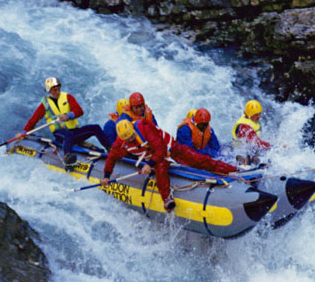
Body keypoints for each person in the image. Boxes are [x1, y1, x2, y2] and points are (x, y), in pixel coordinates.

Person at [101, 116, 237, 212]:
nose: (131, 139)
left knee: (199, 160)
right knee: (160, 169)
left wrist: (149, 163)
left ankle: (232, 170)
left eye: (132, 136)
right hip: (155, 158)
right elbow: (112, 157)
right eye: (128, 138)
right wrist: (107, 175)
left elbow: (160, 149)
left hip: (169, 149)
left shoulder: (144, 126)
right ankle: (167, 200)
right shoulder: (121, 141)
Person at [16, 77, 112, 164]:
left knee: (95, 127)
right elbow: (34, 120)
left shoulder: (68, 97)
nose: (57, 92)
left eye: (58, 89)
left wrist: (68, 116)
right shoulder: (45, 104)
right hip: (60, 134)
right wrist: (24, 132)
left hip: (74, 132)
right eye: (54, 90)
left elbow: (79, 111)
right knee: (67, 134)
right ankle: (67, 156)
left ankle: (110, 148)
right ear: (49, 91)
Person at [232, 99, 272, 164]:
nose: (259, 116)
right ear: (250, 114)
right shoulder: (245, 127)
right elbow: (257, 143)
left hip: (250, 147)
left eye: (259, 114)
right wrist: (273, 146)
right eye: (256, 115)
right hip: (240, 151)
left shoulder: (252, 119)